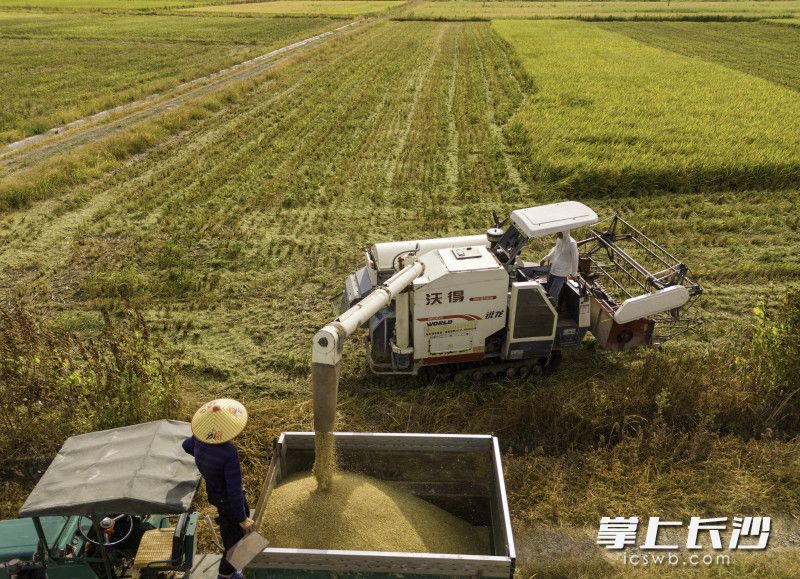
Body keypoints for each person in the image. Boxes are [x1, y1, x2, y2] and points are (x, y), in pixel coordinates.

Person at [182, 398, 255, 579]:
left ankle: (228, 529)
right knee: (236, 540)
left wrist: (204, 459)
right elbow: (234, 489)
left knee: (228, 527)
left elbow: (186, 446)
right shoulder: (228, 453)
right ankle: (226, 573)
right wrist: (242, 518)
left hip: (214, 493)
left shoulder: (199, 438)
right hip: (228, 500)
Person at [540, 230, 579, 306]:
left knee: (553, 295)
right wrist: (545, 258)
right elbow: (555, 251)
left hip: (561, 274)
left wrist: (574, 274)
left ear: (565, 231)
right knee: (547, 292)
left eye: (559, 232)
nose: (557, 234)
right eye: (557, 232)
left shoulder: (572, 243)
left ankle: (553, 314)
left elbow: (575, 259)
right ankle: (548, 309)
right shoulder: (559, 239)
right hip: (553, 270)